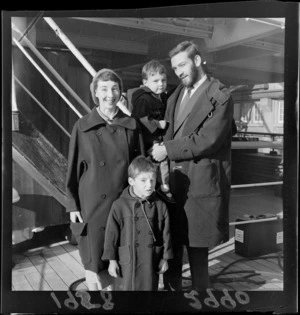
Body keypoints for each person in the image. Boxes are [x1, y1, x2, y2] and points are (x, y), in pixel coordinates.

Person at [149, 41, 234, 291]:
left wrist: (167, 150)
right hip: (174, 186)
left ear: (197, 61)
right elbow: (169, 132)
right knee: (172, 246)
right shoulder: (177, 94)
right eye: (175, 68)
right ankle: (172, 298)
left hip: (199, 185)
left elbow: (207, 140)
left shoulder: (220, 95)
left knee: (198, 253)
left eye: (182, 65)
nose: (178, 71)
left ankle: (200, 299)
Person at [66, 69, 143, 291]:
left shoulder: (131, 125)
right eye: (104, 89)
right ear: (96, 94)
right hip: (93, 206)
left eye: (115, 88)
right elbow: (72, 170)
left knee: (122, 266)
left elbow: (141, 167)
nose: (110, 94)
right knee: (95, 268)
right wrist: (72, 204)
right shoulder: (82, 126)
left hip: (123, 204)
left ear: (121, 92)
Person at [102, 155, 173, 290]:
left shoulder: (160, 206)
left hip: (150, 260)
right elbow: (111, 236)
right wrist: (112, 261)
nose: (149, 185)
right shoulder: (119, 205)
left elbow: (166, 234)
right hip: (127, 263)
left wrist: (165, 258)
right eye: (143, 180)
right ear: (131, 181)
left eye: (152, 180)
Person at [129, 60, 174, 203]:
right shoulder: (143, 99)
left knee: (162, 162)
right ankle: (162, 186)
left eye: (163, 80)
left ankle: (162, 186)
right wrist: (158, 124)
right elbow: (141, 119)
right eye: (156, 81)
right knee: (158, 164)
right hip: (148, 141)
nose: (161, 84)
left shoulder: (158, 97)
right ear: (145, 82)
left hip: (155, 140)